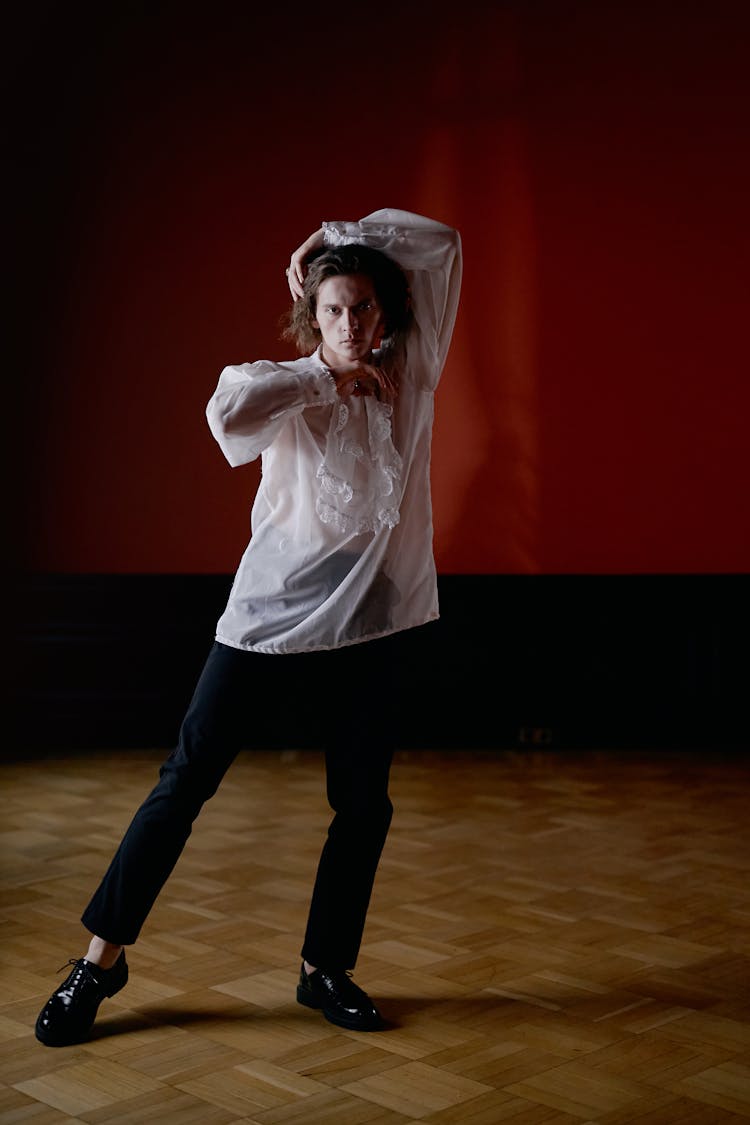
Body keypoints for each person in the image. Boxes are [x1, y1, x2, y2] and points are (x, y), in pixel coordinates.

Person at [34, 207, 462, 1047]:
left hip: (370, 623)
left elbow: (441, 243)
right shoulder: (280, 382)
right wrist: (325, 379)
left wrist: (328, 232)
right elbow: (225, 417)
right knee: (183, 786)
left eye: (365, 308)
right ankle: (98, 962)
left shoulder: (414, 369)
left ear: (390, 314)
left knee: (363, 805)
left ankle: (324, 968)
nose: (350, 325)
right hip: (267, 621)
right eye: (334, 309)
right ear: (313, 316)